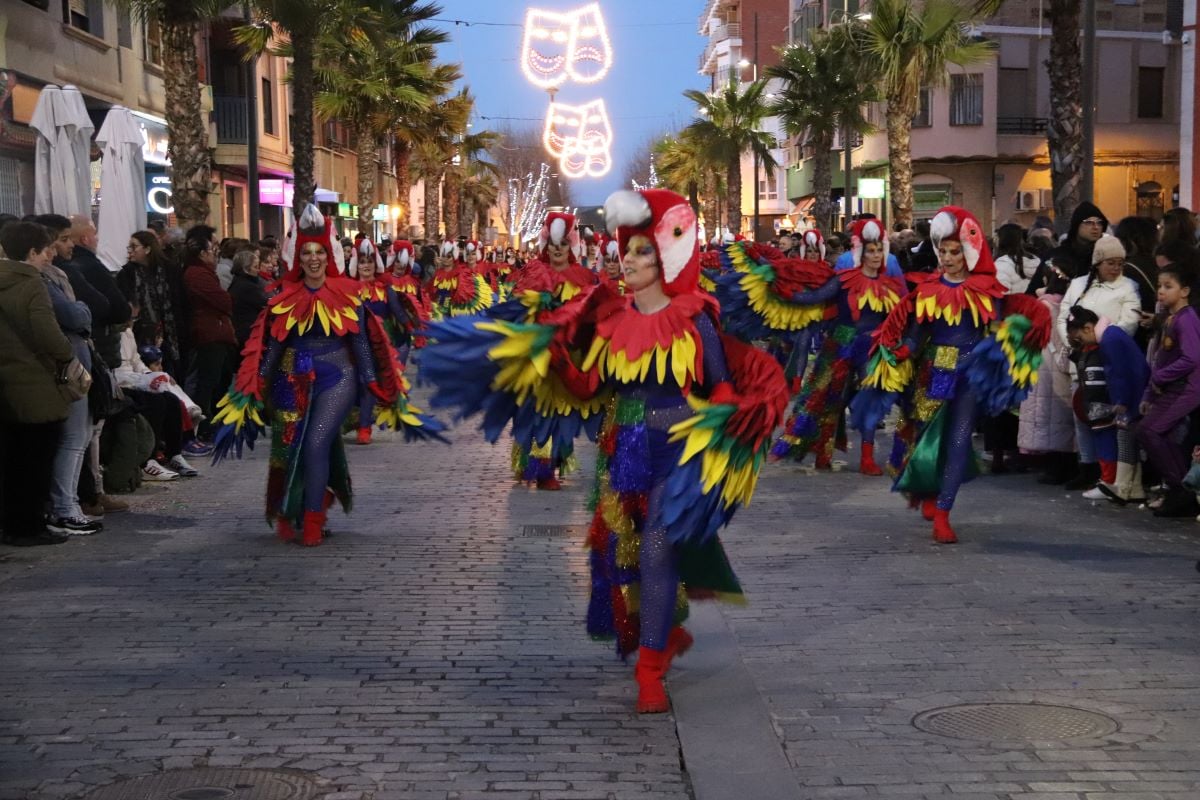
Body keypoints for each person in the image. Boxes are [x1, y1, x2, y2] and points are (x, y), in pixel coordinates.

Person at [419, 188, 788, 713]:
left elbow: (722, 388)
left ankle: (650, 671)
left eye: (641, 251)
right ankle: (659, 634)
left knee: (660, 553)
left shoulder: (696, 317)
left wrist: (725, 439)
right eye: (627, 250)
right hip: (624, 457)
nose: (629, 260)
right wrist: (542, 352)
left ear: (664, 254)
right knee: (623, 557)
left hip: (680, 456)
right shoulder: (611, 319)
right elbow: (589, 385)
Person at [210, 205, 443, 546]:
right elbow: (271, 348)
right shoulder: (281, 299)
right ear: (298, 257)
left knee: (317, 442)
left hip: (338, 378)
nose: (314, 258)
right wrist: (254, 387)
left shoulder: (348, 295)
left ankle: (314, 518)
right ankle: (298, 506)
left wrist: (374, 382)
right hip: (291, 378)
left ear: (329, 255)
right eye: (307, 252)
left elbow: (361, 342)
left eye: (320, 252)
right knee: (290, 446)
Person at [857, 206, 1051, 543]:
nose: (947, 258)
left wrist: (1024, 330)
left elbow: (1001, 324)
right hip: (933, 373)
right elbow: (916, 337)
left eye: (954, 251)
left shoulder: (986, 288)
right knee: (925, 439)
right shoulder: (928, 290)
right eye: (942, 251)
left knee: (959, 440)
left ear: (968, 251)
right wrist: (897, 353)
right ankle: (929, 492)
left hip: (970, 375)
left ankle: (944, 512)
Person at [765, 223, 906, 474]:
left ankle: (866, 457)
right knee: (828, 399)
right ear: (861, 253)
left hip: (871, 347)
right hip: (840, 343)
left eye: (878, 251)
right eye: (870, 251)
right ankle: (822, 451)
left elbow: (901, 313)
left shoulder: (890, 285)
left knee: (870, 399)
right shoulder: (844, 279)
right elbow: (815, 297)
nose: (875, 256)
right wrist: (782, 292)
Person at [502, 212, 597, 489]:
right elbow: (515, 313)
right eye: (553, 244)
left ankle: (551, 465)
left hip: (569, 359)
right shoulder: (532, 273)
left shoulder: (583, 277)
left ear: (571, 246)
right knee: (537, 411)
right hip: (537, 358)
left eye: (563, 244)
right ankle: (536, 467)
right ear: (546, 244)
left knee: (563, 414)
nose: (558, 249)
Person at [0, 222, 76, 546]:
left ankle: (13, 523)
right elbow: (48, 334)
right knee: (37, 459)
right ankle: (30, 525)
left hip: (7, 383)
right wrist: (67, 356)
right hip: (35, 383)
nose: (50, 257)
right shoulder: (32, 285)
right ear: (32, 252)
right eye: (46, 251)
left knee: (13, 459)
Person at [1056, 234, 1143, 490]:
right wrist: (1073, 340)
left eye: (1119, 263)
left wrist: (1102, 342)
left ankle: (1112, 476)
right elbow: (1064, 315)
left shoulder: (1128, 287)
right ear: (1097, 263)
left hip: (1107, 362)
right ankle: (1088, 466)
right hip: (1081, 362)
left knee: (1108, 422)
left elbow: (1130, 321)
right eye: (1110, 263)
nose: (1115, 268)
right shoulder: (1079, 285)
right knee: (1083, 417)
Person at [1063, 306, 1148, 504]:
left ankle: (1122, 486)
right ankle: (1132, 488)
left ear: (1087, 328)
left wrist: (1120, 402)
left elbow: (1117, 374)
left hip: (1131, 397)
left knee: (1125, 441)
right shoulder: (1112, 333)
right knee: (1128, 441)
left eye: (1080, 339)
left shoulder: (1108, 340)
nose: (1081, 344)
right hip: (1136, 393)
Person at [1137, 263, 1200, 517]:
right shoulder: (1171, 319)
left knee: (1149, 430)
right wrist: (1149, 394)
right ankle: (1180, 488)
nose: (1161, 292)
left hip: (1186, 389)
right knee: (1158, 434)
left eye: (1168, 286)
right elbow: (1162, 357)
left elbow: (1192, 358)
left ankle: (1182, 489)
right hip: (1169, 389)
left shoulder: (1187, 319)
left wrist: (1160, 378)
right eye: (1160, 286)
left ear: (1184, 291)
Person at [182, 225, 236, 448]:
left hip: (218, 333)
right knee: (208, 382)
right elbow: (224, 301)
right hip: (209, 335)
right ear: (202, 252)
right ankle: (203, 427)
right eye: (213, 247)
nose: (216, 252)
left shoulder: (206, 273)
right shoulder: (197, 274)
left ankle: (212, 425)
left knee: (218, 381)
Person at [117, 230, 184, 379]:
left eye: (134, 247)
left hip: (169, 335)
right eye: (129, 247)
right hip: (140, 336)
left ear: (147, 249)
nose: (130, 251)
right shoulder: (127, 274)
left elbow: (179, 301)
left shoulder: (169, 270)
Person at [228, 248, 268, 351]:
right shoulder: (247, 286)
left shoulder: (238, 282)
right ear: (246, 269)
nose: (258, 270)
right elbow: (266, 302)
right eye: (255, 267)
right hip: (248, 333)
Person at [993, 223, 1039, 295]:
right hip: (1034, 304)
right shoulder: (1036, 260)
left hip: (1013, 305)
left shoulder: (1002, 265)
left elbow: (1002, 295)